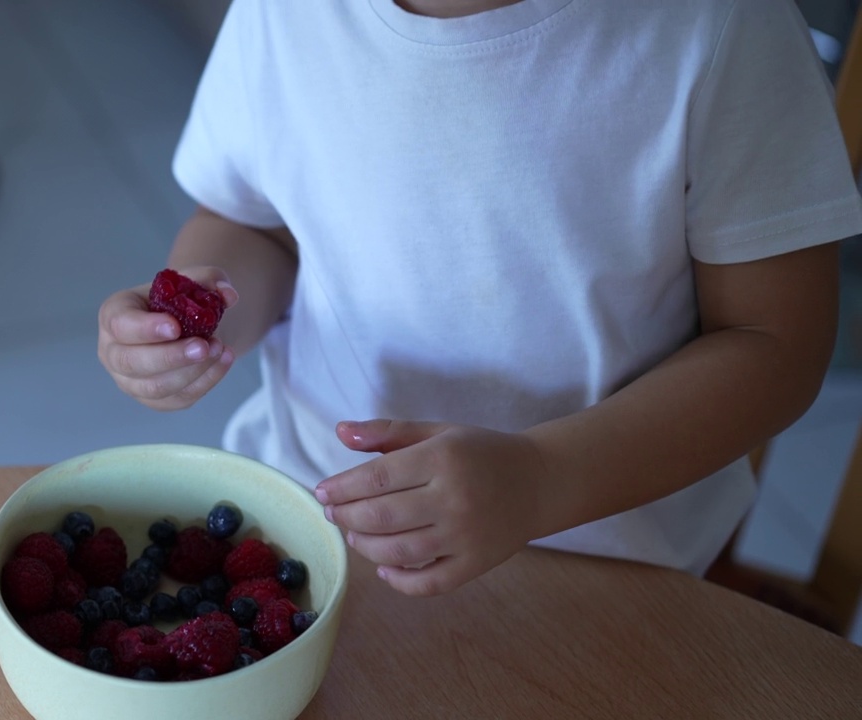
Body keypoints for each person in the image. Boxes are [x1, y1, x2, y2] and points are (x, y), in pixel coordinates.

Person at [96, 0, 862, 596]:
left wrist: (541, 479)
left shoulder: (721, 27)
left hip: (600, 575)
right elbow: (256, 225)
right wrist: (199, 317)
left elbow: (775, 342)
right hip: (305, 518)